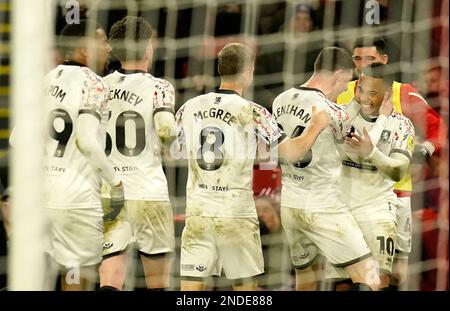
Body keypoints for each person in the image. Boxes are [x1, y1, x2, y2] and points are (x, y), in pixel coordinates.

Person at [176, 43, 330, 291]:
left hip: (199, 209)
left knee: (191, 292)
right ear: (249, 71)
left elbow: (175, 151)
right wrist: (316, 126)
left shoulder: (189, 107)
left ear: (220, 70)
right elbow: (291, 153)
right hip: (235, 211)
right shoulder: (253, 112)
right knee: (246, 292)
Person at [337, 35, 447, 290]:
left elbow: (438, 128)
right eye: (357, 59)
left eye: (370, 59)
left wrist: (425, 150)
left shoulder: (403, 92)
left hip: (395, 194)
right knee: (345, 272)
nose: (363, 65)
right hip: (349, 193)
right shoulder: (343, 93)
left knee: (396, 273)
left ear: (384, 61)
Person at [273, 47, 383, 291]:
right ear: (339, 74)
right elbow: (353, 146)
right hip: (323, 205)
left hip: (290, 204)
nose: (345, 88)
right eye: (345, 82)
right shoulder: (333, 111)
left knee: (307, 278)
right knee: (370, 276)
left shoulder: (279, 100)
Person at [43, 20, 124, 291]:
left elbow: (17, 139)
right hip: (76, 199)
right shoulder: (94, 84)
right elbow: (87, 142)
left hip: (41, 198)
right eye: (102, 41)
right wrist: (115, 182)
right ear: (85, 50)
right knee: (79, 277)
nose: (109, 47)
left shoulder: (44, 81)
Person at [99, 16, 176, 291]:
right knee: (157, 284)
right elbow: (167, 133)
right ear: (147, 48)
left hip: (111, 192)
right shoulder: (160, 87)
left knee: (110, 279)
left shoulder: (99, 87)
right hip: (149, 191)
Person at [329, 63, 415, 290]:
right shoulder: (342, 116)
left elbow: (398, 170)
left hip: (377, 214)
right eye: (361, 90)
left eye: (373, 93)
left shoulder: (402, 125)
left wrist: (372, 153)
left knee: (375, 283)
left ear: (387, 95)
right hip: (341, 213)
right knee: (341, 286)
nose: (364, 98)